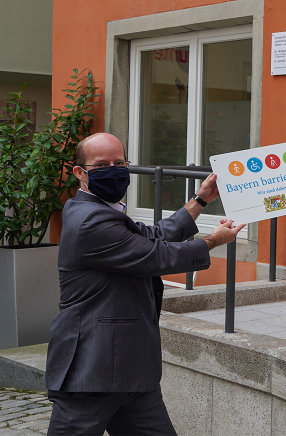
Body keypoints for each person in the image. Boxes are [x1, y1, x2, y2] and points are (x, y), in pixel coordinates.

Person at [45, 132, 245, 435]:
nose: (113, 169)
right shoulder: (90, 220)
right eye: (101, 165)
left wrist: (200, 199)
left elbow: (150, 236)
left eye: (119, 162)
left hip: (131, 370)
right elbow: (155, 256)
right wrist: (213, 240)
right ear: (80, 173)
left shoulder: (103, 212)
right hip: (91, 369)